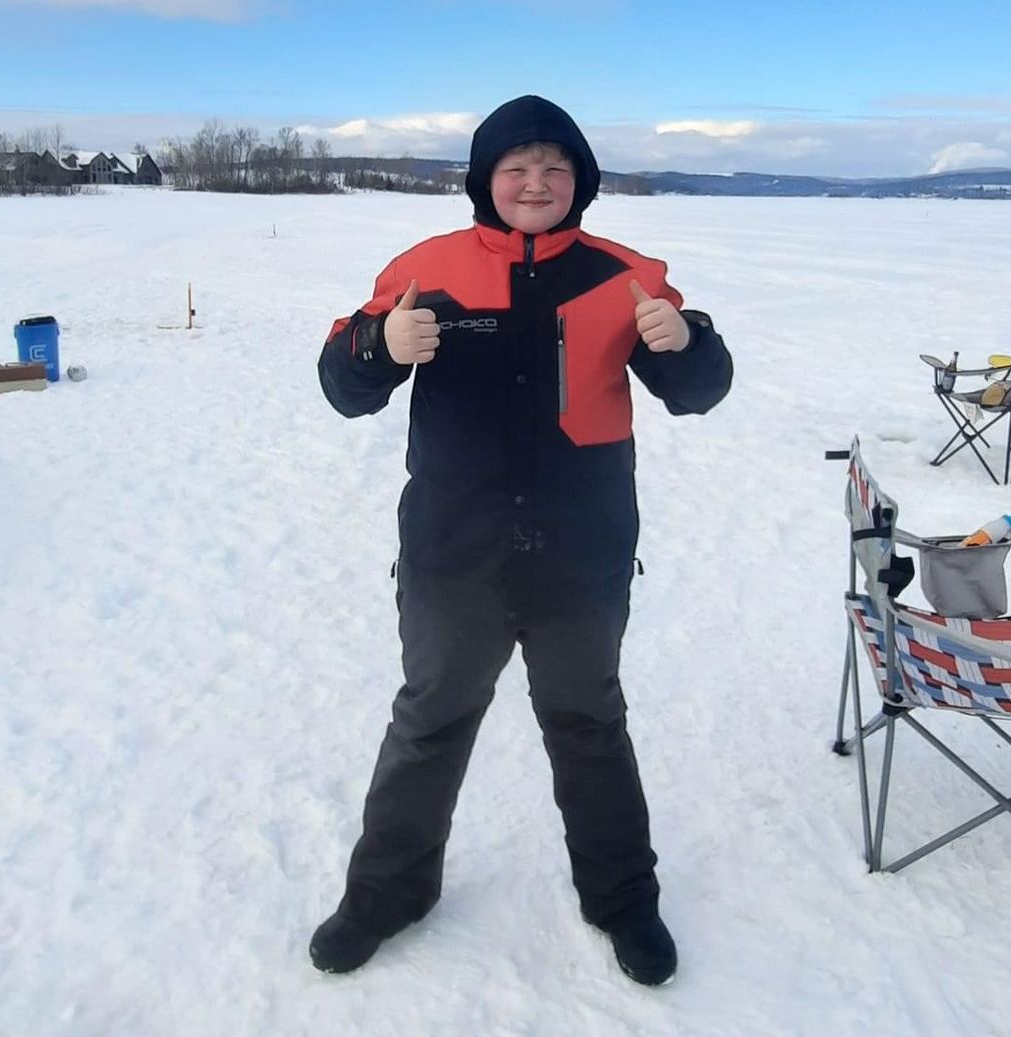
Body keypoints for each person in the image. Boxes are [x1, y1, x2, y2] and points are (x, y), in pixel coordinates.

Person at [312, 95, 733, 985]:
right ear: (484, 180)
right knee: (429, 722)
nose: (535, 182)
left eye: (553, 167)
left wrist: (687, 341)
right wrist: (379, 347)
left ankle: (623, 901)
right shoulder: (426, 268)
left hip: (582, 559)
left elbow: (697, 390)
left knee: (588, 724)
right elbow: (343, 384)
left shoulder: (625, 273)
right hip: (452, 556)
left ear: (579, 181)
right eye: (515, 168)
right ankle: (387, 894)